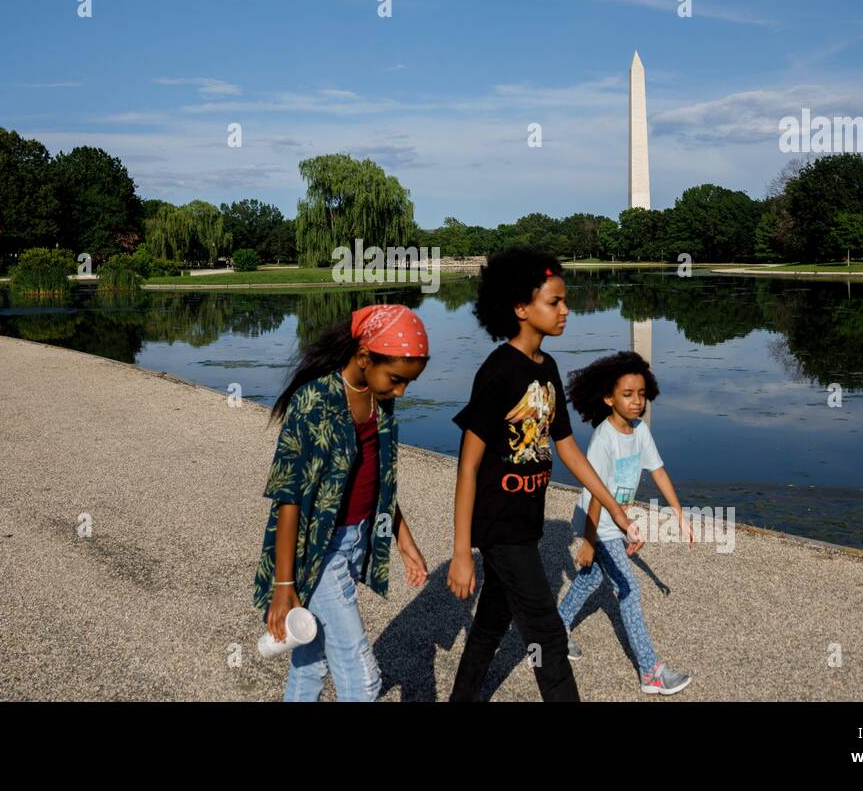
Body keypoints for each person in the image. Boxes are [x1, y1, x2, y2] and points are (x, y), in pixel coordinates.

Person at [447, 248, 641, 701]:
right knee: (548, 636)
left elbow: (569, 449)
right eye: (554, 302)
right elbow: (468, 464)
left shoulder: (548, 369)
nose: (565, 310)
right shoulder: (497, 372)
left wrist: (615, 510)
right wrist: (461, 552)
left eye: (564, 300)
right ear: (520, 309)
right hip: (499, 527)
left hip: (526, 523)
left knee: (492, 621)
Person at [254, 303, 430, 701]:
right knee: (363, 679)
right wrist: (284, 584)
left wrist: (405, 541)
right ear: (365, 357)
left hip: (357, 542)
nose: (400, 391)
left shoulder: (378, 397)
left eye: (408, 383)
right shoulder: (313, 401)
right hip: (320, 550)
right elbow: (289, 496)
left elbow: (383, 479)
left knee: (311, 662)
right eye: (397, 379)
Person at [558, 350, 693, 695]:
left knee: (589, 581)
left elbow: (658, 471)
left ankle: (555, 631)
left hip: (614, 522)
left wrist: (679, 513)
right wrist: (589, 542)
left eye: (642, 394)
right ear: (608, 398)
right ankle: (651, 672)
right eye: (627, 395)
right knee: (628, 590)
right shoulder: (603, 440)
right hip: (596, 521)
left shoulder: (640, 431)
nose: (637, 402)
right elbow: (592, 495)